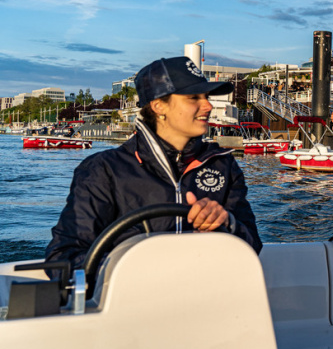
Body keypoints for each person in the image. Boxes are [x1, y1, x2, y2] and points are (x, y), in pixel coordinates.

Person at [45, 56, 262, 274]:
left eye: (206, 96)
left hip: (208, 298)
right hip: (132, 304)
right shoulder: (104, 170)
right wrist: (143, 268)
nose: (208, 105)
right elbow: (63, 259)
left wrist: (227, 223)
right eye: (193, 97)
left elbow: (253, 246)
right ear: (159, 106)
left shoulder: (223, 164)